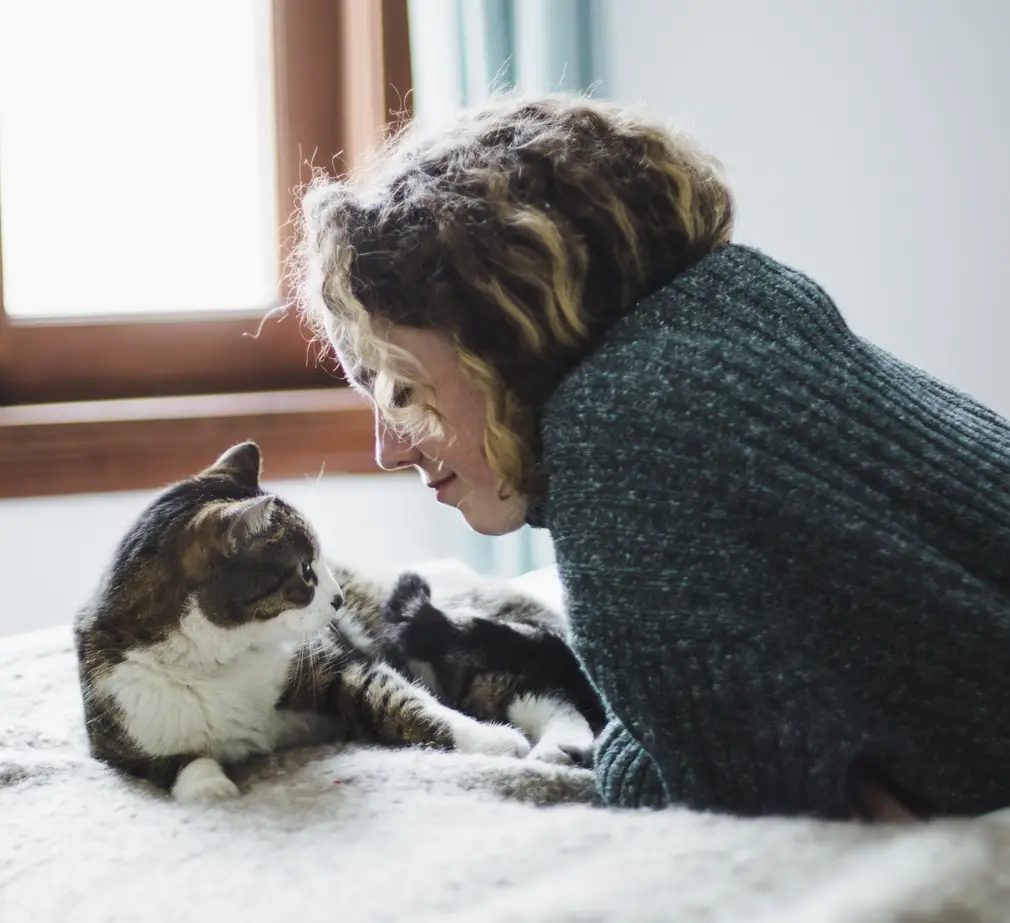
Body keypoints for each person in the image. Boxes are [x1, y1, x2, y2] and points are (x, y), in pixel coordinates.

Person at [293, 94, 1010, 821]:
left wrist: (630, 752)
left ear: (498, 335)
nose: (388, 446)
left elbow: (746, 786)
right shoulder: (745, 299)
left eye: (402, 390)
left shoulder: (609, 436)